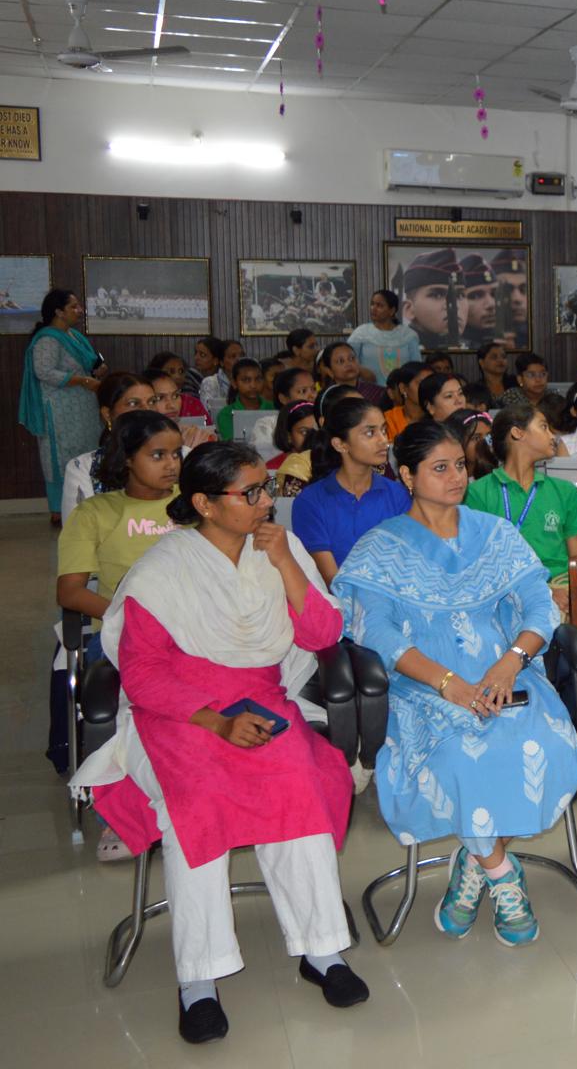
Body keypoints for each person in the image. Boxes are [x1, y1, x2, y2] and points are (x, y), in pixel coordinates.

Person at [70, 442, 368, 1042]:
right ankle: (198, 980)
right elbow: (144, 675)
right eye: (250, 492)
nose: (266, 502)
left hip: (262, 702)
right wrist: (216, 721)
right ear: (205, 504)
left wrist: (285, 563)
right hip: (179, 714)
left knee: (298, 785)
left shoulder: (280, 548)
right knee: (198, 803)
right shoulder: (164, 568)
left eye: (266, 489)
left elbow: (323, 634)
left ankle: (321, 951)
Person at [332, 422, 577, 947]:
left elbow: (540, 606)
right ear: (407, 475)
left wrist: (512, 660)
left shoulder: (495, 534)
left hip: (506, 675)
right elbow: (376, 631)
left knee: (540, 745)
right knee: (462, 760)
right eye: (439, 468)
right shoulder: (381, 548)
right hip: (421, 685)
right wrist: (447, 684)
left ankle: (474, 861)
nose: (457, 477)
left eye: (461, 465)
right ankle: (501, 874)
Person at [53, 410, 185, 786]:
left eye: (176, 454)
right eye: (157, 455)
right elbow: (70, 592)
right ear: (127, 458)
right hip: (123, 631)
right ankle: (134, 790)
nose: (171, 464)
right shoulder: (95, 513)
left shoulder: (194, 503)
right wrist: (134, 617)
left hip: (193, 627)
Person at [465, 405, 577, 613]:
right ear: (517, 433)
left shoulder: (565, 491)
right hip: (506, 590)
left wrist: (571, 594)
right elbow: (479, 564)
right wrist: (545, 592)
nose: (553, 436)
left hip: (563, 588)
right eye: (544, 427)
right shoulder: (478, 493)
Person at [291, 395, 410, 584]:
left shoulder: (398, 495)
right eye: (370, 433)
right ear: (340, 444)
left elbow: (406, 565)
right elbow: (332, 581)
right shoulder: (310, 501)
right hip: (337, 600)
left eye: (383, 430)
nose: (384, 441)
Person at [22, 289, 105, 524]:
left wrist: (97, 370)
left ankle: (88, 503)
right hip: (60, 411)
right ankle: (60, 509)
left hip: (84, 408)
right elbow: (44, 371)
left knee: (87, 452)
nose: (80, 311)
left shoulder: (74, 336)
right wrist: (82, 381)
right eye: (73, 307)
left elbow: (89, 363)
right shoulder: (48, 339)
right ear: (59, 312)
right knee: (61, 458)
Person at [60, 372, 153, 519]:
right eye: (133, 403)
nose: (147, 410)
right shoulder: (83, 467)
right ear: (108, 414)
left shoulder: (180, 457)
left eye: (152, 401)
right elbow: (76, 529)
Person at [348, 288, 421, 381]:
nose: (373, 308)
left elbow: (417, 367)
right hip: (368, 388)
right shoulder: (360, 333)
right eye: (372, 304)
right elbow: (348, 360)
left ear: (392, 311)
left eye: (379, 305)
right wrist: (361, 371)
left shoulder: (408, 335)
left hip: (401, 388)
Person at [495, 352, 565, 425]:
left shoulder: (553, 396)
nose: (538, 379)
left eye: (543, 374)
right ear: (520, 379)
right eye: (531, 375)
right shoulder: (511, 396)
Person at [213, 359, 272, 442]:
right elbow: (233, 445)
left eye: (258, 379)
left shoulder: (274, 408)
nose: (253, 385)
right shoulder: (226, 414)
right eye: (246, 380)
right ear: (234, 383)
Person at [315, 342, 385, 408]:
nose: (348, 364)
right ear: (329, 371)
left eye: (352, 358)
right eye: (341, 361)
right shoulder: (326, 398)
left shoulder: (378, 393)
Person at [268, 401, 318, 474]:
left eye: (317, 430)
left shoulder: (329, 465)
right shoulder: (272, 470)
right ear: (288, 435)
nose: (313, 436)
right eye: (304, 432)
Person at [467, 341, 514, 409]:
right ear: (482, 363)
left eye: (503, 357)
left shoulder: (515, 383)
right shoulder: (476, 389)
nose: (500, 360)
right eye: (494, 357)